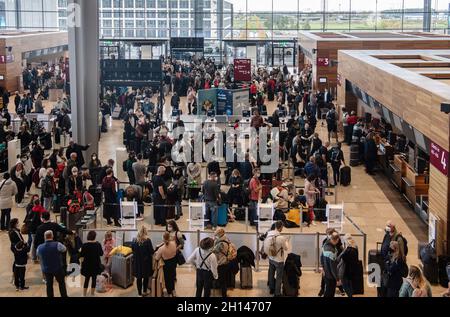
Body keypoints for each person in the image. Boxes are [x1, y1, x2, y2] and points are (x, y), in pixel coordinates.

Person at [37, 230, 68, 297]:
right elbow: (64, 249)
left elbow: (38, 255)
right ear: (52, 236)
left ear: (44, 237)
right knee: (61, 283)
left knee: (49, 285)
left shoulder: (39, 247)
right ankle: (64, 295)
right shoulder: (58, 244)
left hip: (46, 269)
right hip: (58, 268)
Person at [263, 221, 289, 297]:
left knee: (271, 273)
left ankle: (271, 288)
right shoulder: (281, 238)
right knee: (279, 277)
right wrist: (286, 241)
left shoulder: (269, 234)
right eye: (282, 227)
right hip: (279, 260)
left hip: (271, 257)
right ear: (280, 227)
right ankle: (277, 293)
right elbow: (286, 248)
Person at [131, 226, 154, 297]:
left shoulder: (134, 240)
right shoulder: (148, 240)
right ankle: (144, 291)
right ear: (146, 232)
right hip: (146, 263)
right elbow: (151, 251)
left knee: (138, 278)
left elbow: (132, 250)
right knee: (146, 277)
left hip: (137, 262)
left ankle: (139, 293)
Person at [80, 231, 104, 297]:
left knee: (86, 279)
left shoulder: (84, 245)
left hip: (87, 265)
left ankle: (84, 294)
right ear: (94, 237)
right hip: (95, 265)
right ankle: (92, 294)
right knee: (94, 279)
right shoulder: (98, 244)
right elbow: (101, 253)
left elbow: (81, 255)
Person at [154, 232, 178, 297]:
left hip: (166, 264)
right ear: (169, 237)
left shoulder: (161, 249)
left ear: (163, 239)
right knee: (172, 277)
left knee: (167, 279)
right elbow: (175, 252)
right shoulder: (174, 244)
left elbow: (156, 258)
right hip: (173, 262)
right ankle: (173, 290)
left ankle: (169, 292)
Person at [213, 228, 233, 298]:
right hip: (225, 262)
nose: (214, 233)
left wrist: (213, 240)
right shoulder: (226, 239)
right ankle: (223, 293)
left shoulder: (221, 243)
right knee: (223, 279)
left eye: (215, 233)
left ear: (219, 234)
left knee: (222, 280)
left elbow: (213, 251)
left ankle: (224, 294)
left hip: (221, 263)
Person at [321, 232, 341, 297]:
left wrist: (323, 268)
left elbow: (321, 257)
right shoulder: (331, 252)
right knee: (330, 292)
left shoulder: (325, 245)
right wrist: (337, 279)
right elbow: (333, 268)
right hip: (331, 276)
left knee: (328, 291)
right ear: (337, 240)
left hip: (326, 273)